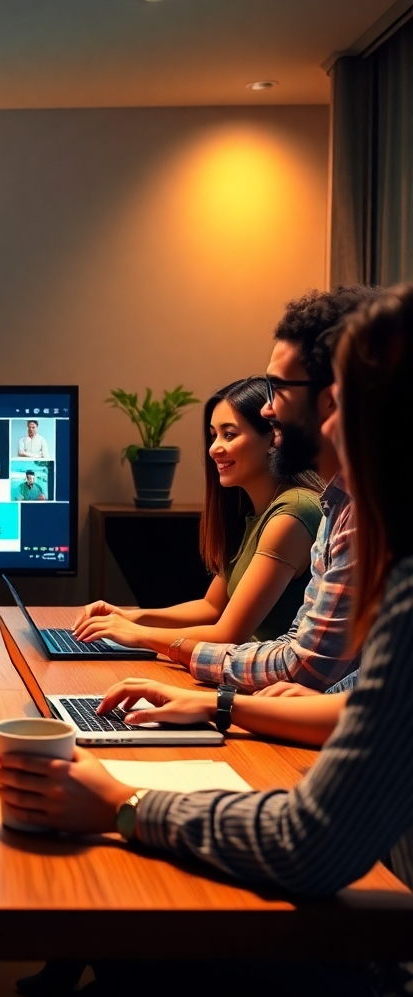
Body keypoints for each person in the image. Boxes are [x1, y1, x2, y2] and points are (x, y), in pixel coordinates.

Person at [0, 285, 413, 997]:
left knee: (127, 954)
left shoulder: (356, 540)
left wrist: (125, 806)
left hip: (387, 966)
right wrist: (228, 702)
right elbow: (356, 697)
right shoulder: (350, 519)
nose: (276, 410)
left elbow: (314, 844)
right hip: (379, 916)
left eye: (336, 396)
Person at [121, 287, 375, 693]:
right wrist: (128, 620)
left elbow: (302, 668)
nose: (268, 409)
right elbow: (314, 665)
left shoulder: (335, 512)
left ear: (331, 400)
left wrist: (159, 643)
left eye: (278, 389)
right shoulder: (336, 507)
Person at [73, 377, 323, 654]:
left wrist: (137, 634)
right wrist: (127, 617)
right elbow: (211, 607)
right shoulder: (257, 513)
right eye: (213, 434)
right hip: (240, 669)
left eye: (229, 434)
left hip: (268, 683)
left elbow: (229, 633)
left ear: (272, 438)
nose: (214, 447)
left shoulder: (292, 513)